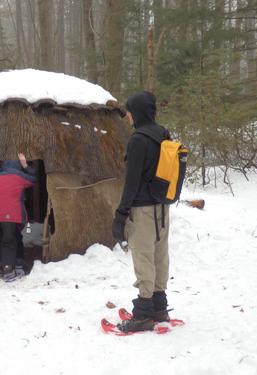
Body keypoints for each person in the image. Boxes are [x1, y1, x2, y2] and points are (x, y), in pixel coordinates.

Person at [112, 91, 172, 333]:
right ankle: (159, 306)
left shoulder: (138, 139)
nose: (128, 117)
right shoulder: (163, 134)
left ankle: (144, 314)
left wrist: (121, 214)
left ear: (136, 113)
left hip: (143, 210)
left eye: (129, 112)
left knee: (143, 257)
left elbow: (132, 182)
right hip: (162, 207)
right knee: (160, 254)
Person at [0, 153, 36, 281]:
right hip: (11, 216)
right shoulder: (20, 177)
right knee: (9, 241)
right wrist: (25, 165)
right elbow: (34, 178)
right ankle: (8, 270)